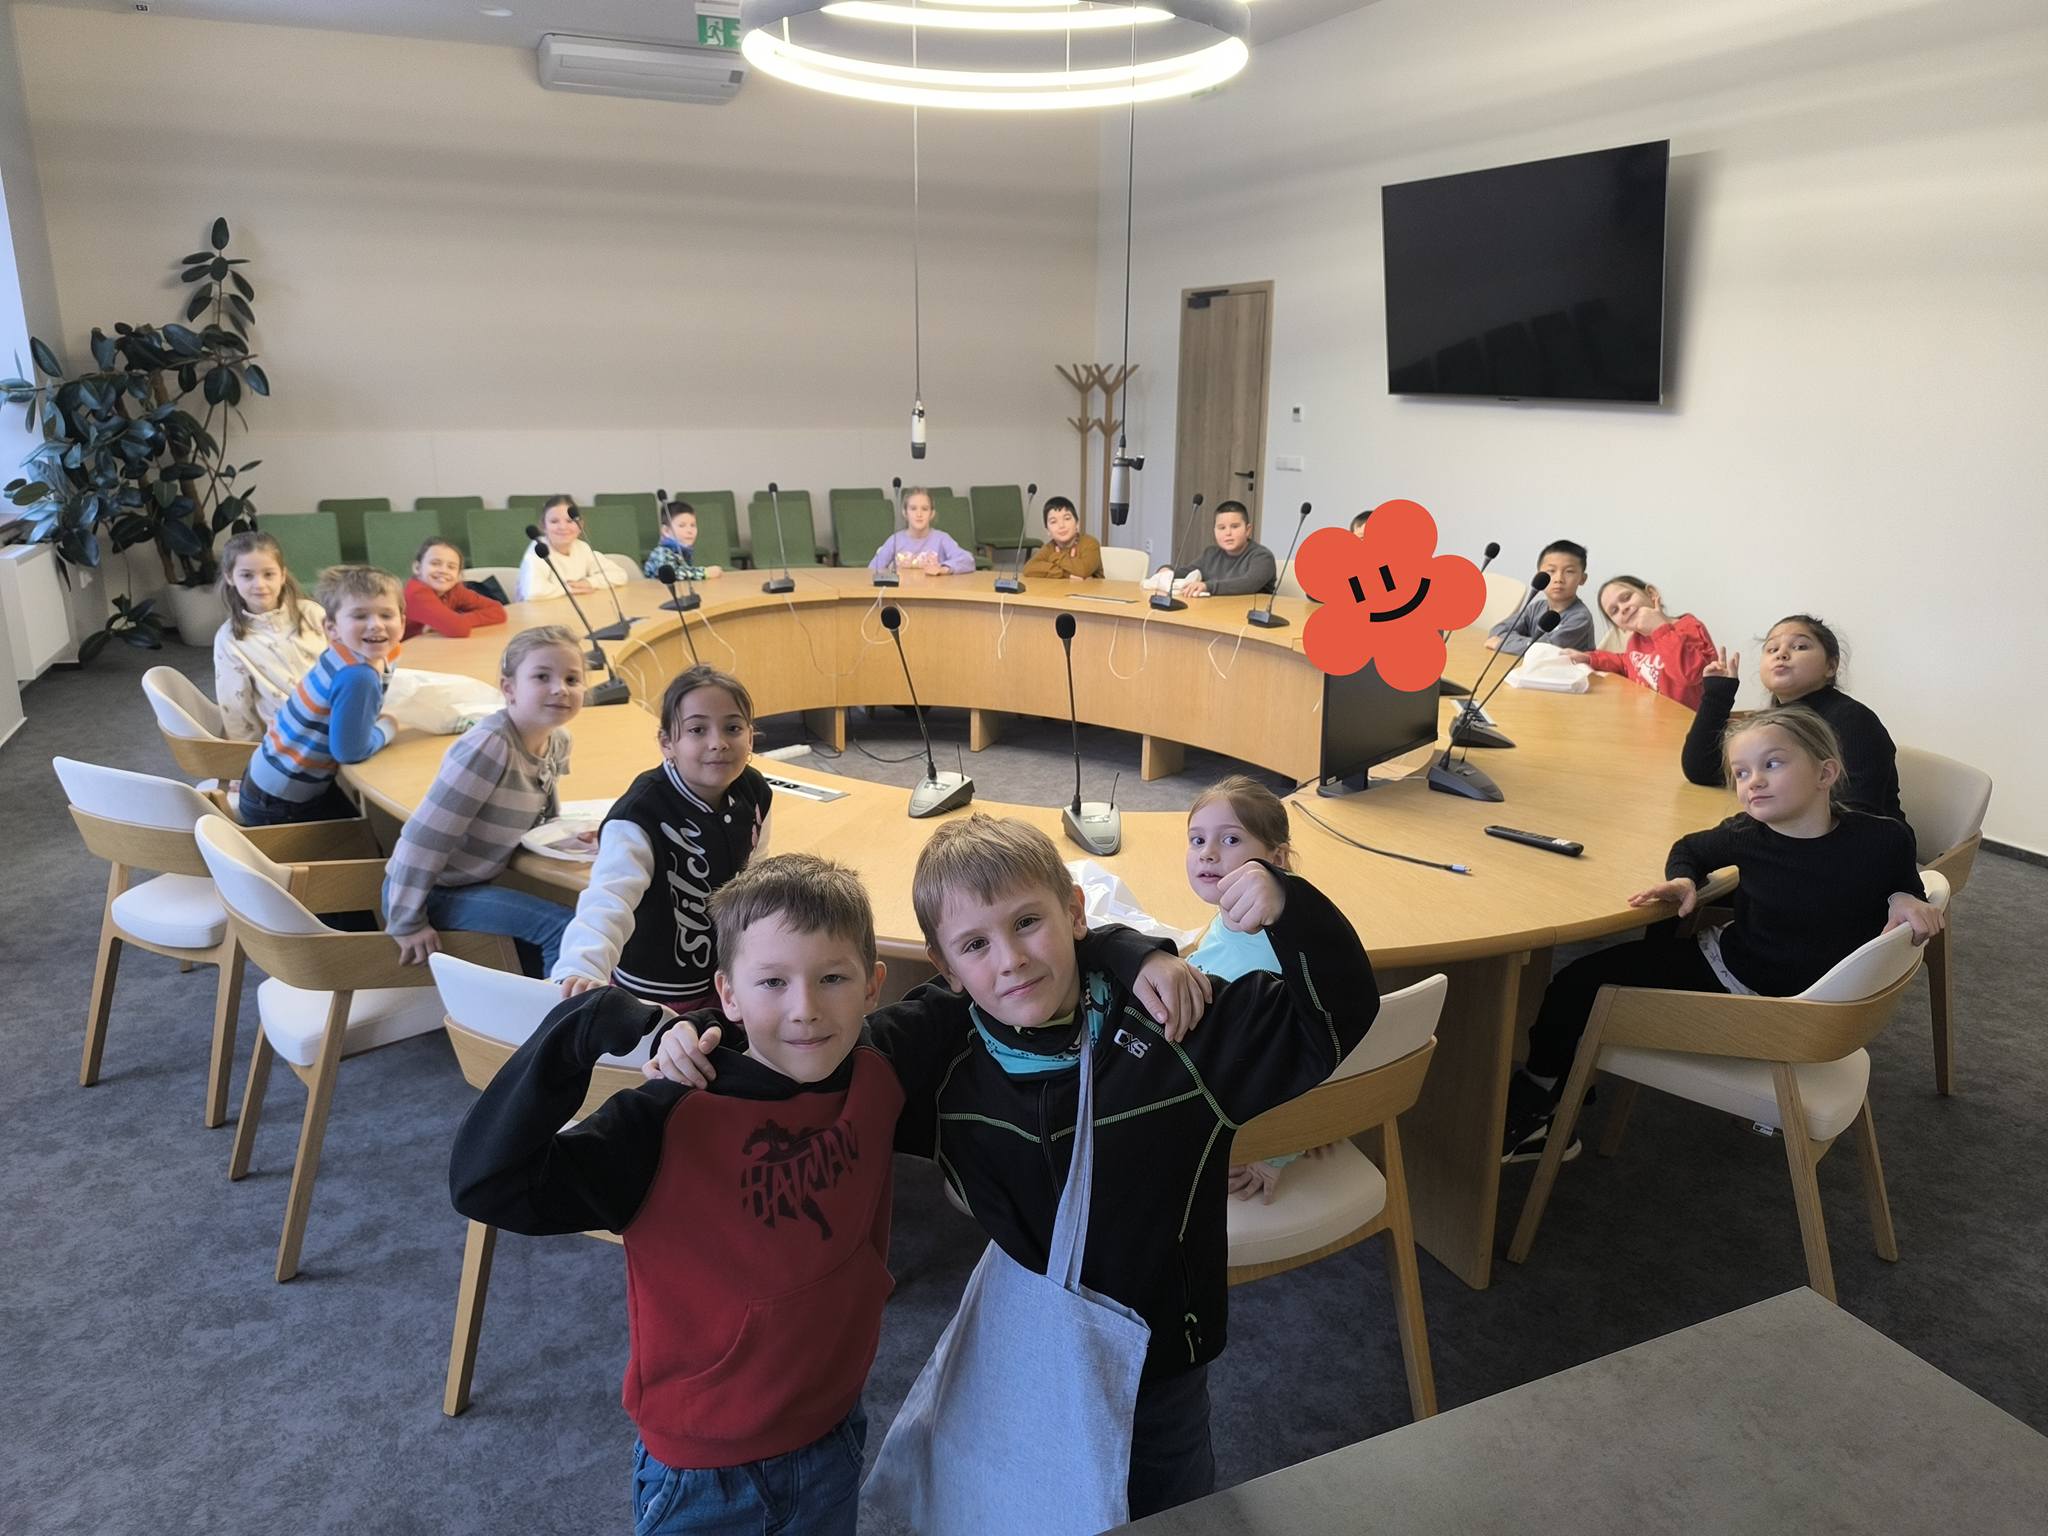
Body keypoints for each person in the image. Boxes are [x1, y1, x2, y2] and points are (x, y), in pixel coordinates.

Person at [651, 812, 1380, 1519]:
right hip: (1028, 1355)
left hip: (1161, 1369)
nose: (1011, 960)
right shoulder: (937, 1053)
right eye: (975, 944)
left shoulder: (1175, 1025)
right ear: (943, 966)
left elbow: (1337, 1014)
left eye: (1028, 923)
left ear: (1075, 913)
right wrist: (703, 1037)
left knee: (1173, 1511)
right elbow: (809, 1049)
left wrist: (1286, 907)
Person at [450, 855, 897, 1536]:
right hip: (703, 1475)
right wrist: (591, 1022)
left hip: (834, 1434)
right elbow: (486, 1182)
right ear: (729, 994)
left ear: (872, 987)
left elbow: (991, 977)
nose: (805, 1009)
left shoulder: (879, 1069)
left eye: (832, 978)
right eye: (772, 982)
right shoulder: (665, 1119)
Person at [1501, 706, 1945, 1165]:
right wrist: (1684, 878)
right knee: (1589, 976)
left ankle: (1542, 1104)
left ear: (1825, 773)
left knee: (1575, 986)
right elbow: (1690, 848)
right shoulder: (1747, 833)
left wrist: (1903, 894)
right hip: (1742, 967)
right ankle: (1553, 1089)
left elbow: (1901, 877)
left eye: (1772, 763)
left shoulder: (1882, 840)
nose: (1754, 781)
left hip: (1758, 1001)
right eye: (1741, 772)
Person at [552, 664, 773, 1009]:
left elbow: (755, 874)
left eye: (733, 728)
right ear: (667, 742)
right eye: (697, 730)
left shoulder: (754, 791)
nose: (718, 743)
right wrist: (581, 967)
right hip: (653, 995)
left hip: (725, 980)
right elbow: (608, 900)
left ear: (751, 737)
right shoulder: (639, 814)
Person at [382, 626, 587, 978]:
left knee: (582, 916)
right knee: (568, 929)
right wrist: (406, 921)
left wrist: (564, 839)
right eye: (542, 677)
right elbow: (424, 838)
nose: (560, 689)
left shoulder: (558, 741)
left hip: (472, 884)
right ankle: (554, 1015)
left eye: (572, 679)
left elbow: (539, 816)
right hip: (430, 893)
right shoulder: (491, 746)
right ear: (509, 689)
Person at [1184, 775, 1334, 1205]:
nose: (1207, 853)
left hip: (1232, 1127)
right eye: (1197, 840)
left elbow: (1296, 1066)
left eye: (1230, 839)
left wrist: (1277, 1155)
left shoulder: (1274, 966)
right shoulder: (1230, 917)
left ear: (1277, 858)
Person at [1680, 613, 1907, 826]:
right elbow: (1703, 770)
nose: (1782, 654)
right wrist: (1718, 694)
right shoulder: (1769, 724)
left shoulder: (1854, 720)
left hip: (1865, 846)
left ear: (1831, 666)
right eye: (1772, 649)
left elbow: (1857, 814)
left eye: (1800, 646)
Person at [236, 565, 403, 827]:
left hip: (267, 777)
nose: (376, 625)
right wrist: (388, 728)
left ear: (402, 621)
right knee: (375, 837)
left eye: (386, 615)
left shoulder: (344, 651)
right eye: (360, 616)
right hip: (279, 803)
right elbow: (350, 752)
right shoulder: (358, 675)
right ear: (332, 628)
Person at [212, 529, 325, 741]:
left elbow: (348, 664)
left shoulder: (313, 613)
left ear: (282, 575)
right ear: (230, 577)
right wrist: (245, 753)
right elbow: (235, 707)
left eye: (268, 574)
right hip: (289, 739)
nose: (259, 585)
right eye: (247, 575)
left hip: (339, 721)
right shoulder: (229, 639)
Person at [1562, 574, 1716, 710]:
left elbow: (1689, 675)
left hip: (1687, 724)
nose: (1623, 608)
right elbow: (1626, 663)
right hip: (1649, 721)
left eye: (1626, 598)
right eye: (1614, 611)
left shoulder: (1689, 626)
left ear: (1651, 593)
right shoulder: (1635, 641)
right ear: (1619, 627)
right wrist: (1590, 658)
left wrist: (1659, 628)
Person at [1484, 539, 1596, 653]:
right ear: (1539, 576)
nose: (1559, 579)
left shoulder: (1580, 618)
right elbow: (1498, 630)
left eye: (1569, 571)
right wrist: (1526, 644)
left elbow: (1545, 649)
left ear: (1583, 579)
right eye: (1551, 570)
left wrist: (1502, 644)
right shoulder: (1536, 608)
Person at [517, 495, 633, 602]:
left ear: (580, 525)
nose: (563, 527)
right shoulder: (538, 550)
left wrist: (589, 582)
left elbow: (619, 575)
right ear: (543, 526)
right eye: (554, 521)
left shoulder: (582, 547)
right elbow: (533, 592)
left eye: (569, 521)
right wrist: (571, 589)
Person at [1155, 500, 1276, 597]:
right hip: (1215, 611)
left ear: (1248, 530)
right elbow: (1189, 571)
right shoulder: (1211, 553)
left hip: (1248, 615)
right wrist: (1168, 570)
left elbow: (1248, 583)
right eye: (1221, 528)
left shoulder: (1262, 556)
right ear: (1214, 531)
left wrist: (1208, 586)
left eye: (1234, 527)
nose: (1228, 533)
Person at [404, 537, 507, 640]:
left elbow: (498, 611)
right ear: (417, 568)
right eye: (435, 563)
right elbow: (458, 629)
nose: (443, 570)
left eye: (451, 567)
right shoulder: (417, 592)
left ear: (458, 576)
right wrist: (454, 621)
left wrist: (458, 619)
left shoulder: (455, 590)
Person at [866, 486, 975, 576]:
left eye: (925, 509)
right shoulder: (895, 540)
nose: (919, 514)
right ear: (905, 513)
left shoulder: (942, 538)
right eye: (913, 509)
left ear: (932, 513)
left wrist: (944, 569)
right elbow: (872, 568)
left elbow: (968, 560)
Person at [1021, 495, 1101, 579]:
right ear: (1048, 531)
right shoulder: (1049, 547)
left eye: (1067, 518)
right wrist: (1065, 574)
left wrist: (1056, 557)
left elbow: (1083, 570)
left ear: (1077, 524)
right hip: (1062, 587)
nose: (1061, 525)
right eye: (1053, 521)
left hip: (1091, 587)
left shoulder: (1090, 543)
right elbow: (1028, 569)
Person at [642, 499, 723, 582]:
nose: (689, 530)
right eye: (682, 526)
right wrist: (704, 572)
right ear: (666, 531)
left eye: (693, 525)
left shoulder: (683, 551)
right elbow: (674, 574)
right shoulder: (661, 552)